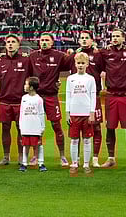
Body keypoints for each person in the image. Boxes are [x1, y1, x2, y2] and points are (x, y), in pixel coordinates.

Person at [29, 33, 71, 167]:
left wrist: (75, 52)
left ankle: (63, 156)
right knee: (35, 127)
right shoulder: (32, 56)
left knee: (56, 126)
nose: (44, 42)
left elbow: (71, 63)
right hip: (36, 97)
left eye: (47, 40)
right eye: (42, 40)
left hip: (51, 96)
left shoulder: (59, 56)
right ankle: (35, 156)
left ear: (52, 42)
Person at [99, 29, 126, 168]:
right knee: (110, 127)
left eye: (117, 36)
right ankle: (111, 158)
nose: (115, 38)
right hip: (111, 95)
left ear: (123, 38)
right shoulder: (105, 53)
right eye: (113, 36)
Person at [69, 31, 104, 168]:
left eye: (86, 38)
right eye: (81, 38)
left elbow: (106, 68)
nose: (84, 40)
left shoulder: (98, 55)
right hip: (78, 101)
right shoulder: (74, 56)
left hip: (93, 97)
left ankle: (94, 158)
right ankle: (76, 159)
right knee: (75, 131)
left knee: (96, 127)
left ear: (92, 40)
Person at [0, 34, 31, 165]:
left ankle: (21, 156)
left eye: (13, 42)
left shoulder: (26, 60)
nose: (10, 44)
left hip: (20, 101)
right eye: (8, 42)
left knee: (21, 128)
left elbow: (35, 76)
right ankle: (6, 156)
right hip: (4, 100)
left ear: (18, 45)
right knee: (5, 128)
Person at [66, 52, 96, 176]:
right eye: (78, 63)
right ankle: (74, 163)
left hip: (86, 113)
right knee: (74, 140)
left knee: (87, 140)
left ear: (87, 64)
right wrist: (67, 112)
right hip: (74, 113)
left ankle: (86, 164)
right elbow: (68, 95)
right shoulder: (70, 78)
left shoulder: (90, 79)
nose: (80, 65)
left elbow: (93, 96)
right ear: (75, 64)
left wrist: (92, 112)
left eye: (83, 63)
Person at [19, 76, 46, 173]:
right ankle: (24, 163)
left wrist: (42, 127)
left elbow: (41, 113)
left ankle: (41, 163)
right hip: (26, 127)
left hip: (36, 127)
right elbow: (22, 112)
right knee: (25, 146)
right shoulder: (24, 98)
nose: (24, 86)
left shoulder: (39, 99)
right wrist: (21, 125)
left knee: (38, 146)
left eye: (26, 84)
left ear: (31, 87)